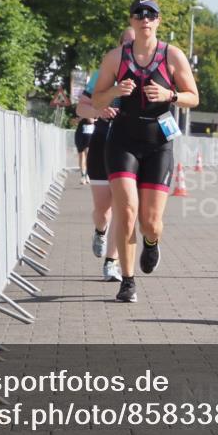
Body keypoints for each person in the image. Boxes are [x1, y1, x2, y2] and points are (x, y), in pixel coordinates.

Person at [90, 0, 199, 303]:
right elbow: (96, 101)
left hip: (158, 143)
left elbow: (194, 97)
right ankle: (127, 281)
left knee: (150, 221)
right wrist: (114, 91)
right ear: (132, 21)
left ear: (158, 21)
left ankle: (151, 242)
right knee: (126, 211)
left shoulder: (172, 56)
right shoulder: (115, 58)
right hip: (123, 140)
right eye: (139, 14)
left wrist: (171, 94)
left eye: (151, 14)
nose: (145, 19)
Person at [77, 27, 135, 282]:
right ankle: (100, 230)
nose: (133, 49)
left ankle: (111, 263)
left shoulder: (150, 74)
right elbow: (81, 107)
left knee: (124, 209)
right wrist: (99, 112)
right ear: (119, 46)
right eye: (128, 44)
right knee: (103, 209)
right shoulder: (103, 74)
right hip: (102, 141)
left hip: (129, 145)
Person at [73, 116, 95, 185]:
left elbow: (91, 120)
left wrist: (84, 117)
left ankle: (87, 175)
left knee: (87, 155)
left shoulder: (93, 109)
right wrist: (78, 119)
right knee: (81, 156)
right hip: (80, 134)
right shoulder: (79, 109)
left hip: (89, 134)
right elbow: (73, 121)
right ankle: (82, 176)